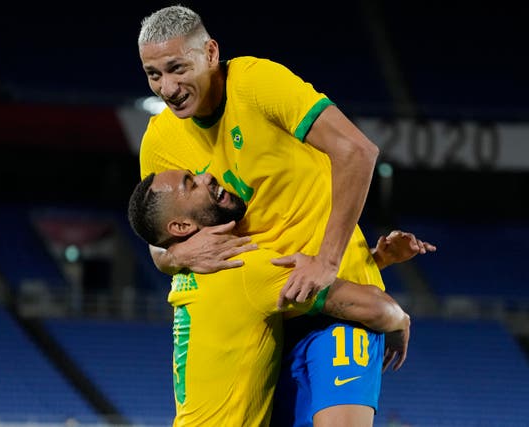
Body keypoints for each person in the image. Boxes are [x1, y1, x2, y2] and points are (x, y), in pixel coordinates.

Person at [136, 5, 435, 426]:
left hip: (339, 306)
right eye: (153, 74)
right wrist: (176, 256)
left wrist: (327, 261)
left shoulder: (258, 83)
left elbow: (357, 152)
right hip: (265, 323)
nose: (167, 87)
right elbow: (159, 235)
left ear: (210, 53)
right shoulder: (161, 141)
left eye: (176, 68)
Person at [127, 169, 413, 427]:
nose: (207, 177)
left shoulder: (185, 273)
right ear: (180, 227)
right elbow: (377, 308)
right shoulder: (242, 269)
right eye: (191, 185)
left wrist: (376, 259)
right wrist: (399, 322)